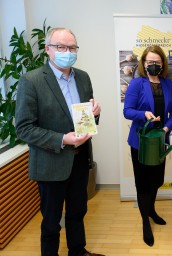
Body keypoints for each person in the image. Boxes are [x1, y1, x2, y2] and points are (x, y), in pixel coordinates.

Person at [15, 28, 104, 256]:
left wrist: (95, 113)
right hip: (50, 163)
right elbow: (24, 128)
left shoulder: (83, 77)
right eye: (61, 47)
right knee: (51, 220)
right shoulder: (31, 81)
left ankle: (77, 251)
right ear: (48, 50)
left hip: (80, 160)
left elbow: (87, 118)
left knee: (77, 211)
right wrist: (62, 139)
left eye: (72, 47)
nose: (68, 52)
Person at [123, 45, 172, 247]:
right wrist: (144, 114)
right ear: (143, 64)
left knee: (156, 180)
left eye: (157, 62)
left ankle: (152, 210)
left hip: (160, 141)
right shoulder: (137, 84)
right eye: (150, 62)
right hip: (140, 142)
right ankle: (145, 222)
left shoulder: (166, 84)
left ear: (162, 63)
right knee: (143, 183)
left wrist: (166, 128)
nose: (153, 65)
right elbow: (127, 111)